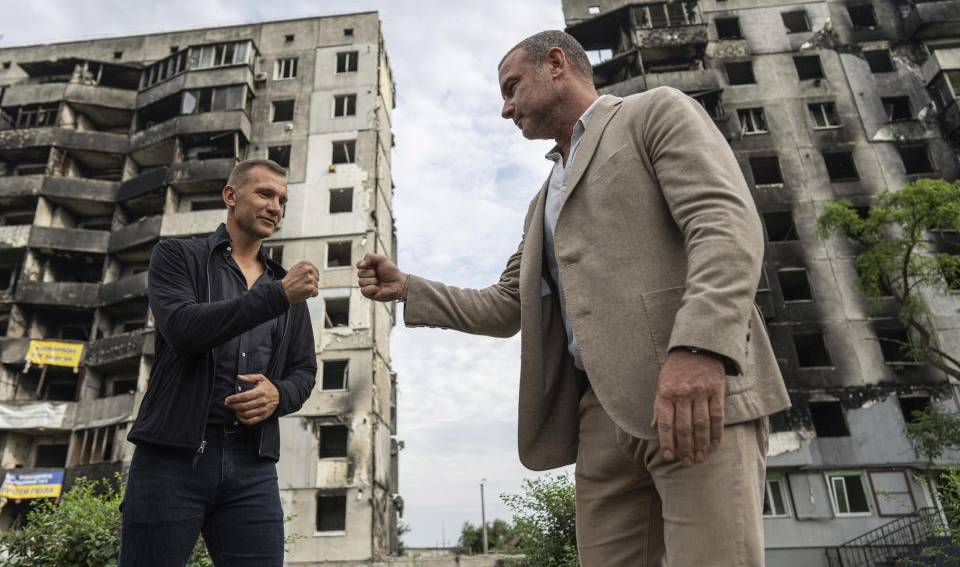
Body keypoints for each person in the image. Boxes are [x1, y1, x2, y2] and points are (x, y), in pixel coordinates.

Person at [357, 31, 791, 566]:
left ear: (556, 64)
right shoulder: (542, 200)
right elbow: (508, 304)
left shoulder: (653, 113)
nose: (505, 108)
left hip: (691, 393)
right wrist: (409, 288)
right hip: (599, 420)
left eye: (512, 87)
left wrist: (699, 350)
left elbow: (724, 226)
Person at [119, 159, 319, 567]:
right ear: (231, 196)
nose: (275, 207)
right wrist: (278, 295)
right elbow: (183, 329)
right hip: (171, 458)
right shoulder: (177, 256)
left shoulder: (284, 288)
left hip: (252, 464)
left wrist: (278, 394)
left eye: (282, 199)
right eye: (264, 194)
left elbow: (304, 371)